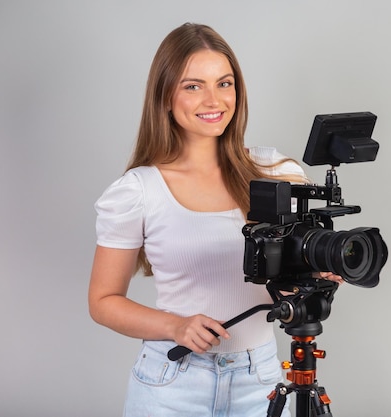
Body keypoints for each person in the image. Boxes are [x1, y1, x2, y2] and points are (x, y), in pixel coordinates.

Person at [88, 22, 341, 417]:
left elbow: (292, 276)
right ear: (165, 97)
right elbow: (103, 302)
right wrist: (175, 326)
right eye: (193, 86)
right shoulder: (137, 191)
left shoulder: (276, 172)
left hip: (260, 380)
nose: (214, 99)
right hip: (173, 378)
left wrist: (315, 277)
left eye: (224, 83)